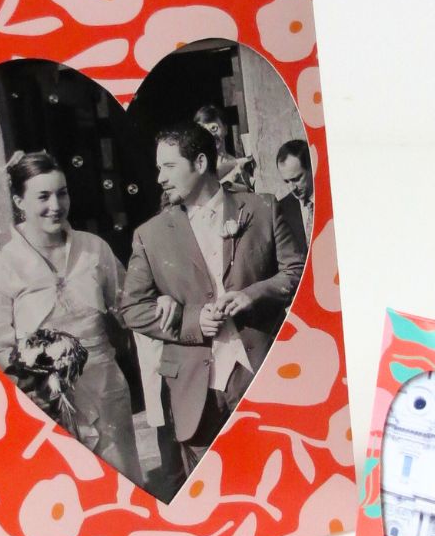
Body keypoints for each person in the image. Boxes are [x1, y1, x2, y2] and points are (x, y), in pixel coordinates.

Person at [120, 122, 304, 483]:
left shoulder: (261, 208)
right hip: (195, 390)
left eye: (168, 166)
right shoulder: (150, 235)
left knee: (278, 477)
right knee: (214, 489)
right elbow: (132, 309)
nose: (159, 178)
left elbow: (296, 271)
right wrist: (191, 321)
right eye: (159, 168)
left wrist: (252, 295)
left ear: (201, 163)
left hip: (261, 369)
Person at [0, 149, 143, 484]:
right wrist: (32, 388)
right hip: (46, 399)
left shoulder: (94, 249)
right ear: (19, 202)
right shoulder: (3, 269)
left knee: (124, 483)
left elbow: (128, 305)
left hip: (105, 388)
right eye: (43, 196)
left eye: (62, 193)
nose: (56, 205)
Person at [194, 103, 255, 192]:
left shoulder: (239, 167)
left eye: (214, 128)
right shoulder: (196, 168)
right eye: (205, 132)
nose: (211, 135)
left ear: (225, 129)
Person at [275, 138, 315, 250]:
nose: (292, 188)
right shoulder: (281, 210)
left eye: (296, 179)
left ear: (311, 167)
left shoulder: (333, 198)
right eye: (286, 181)